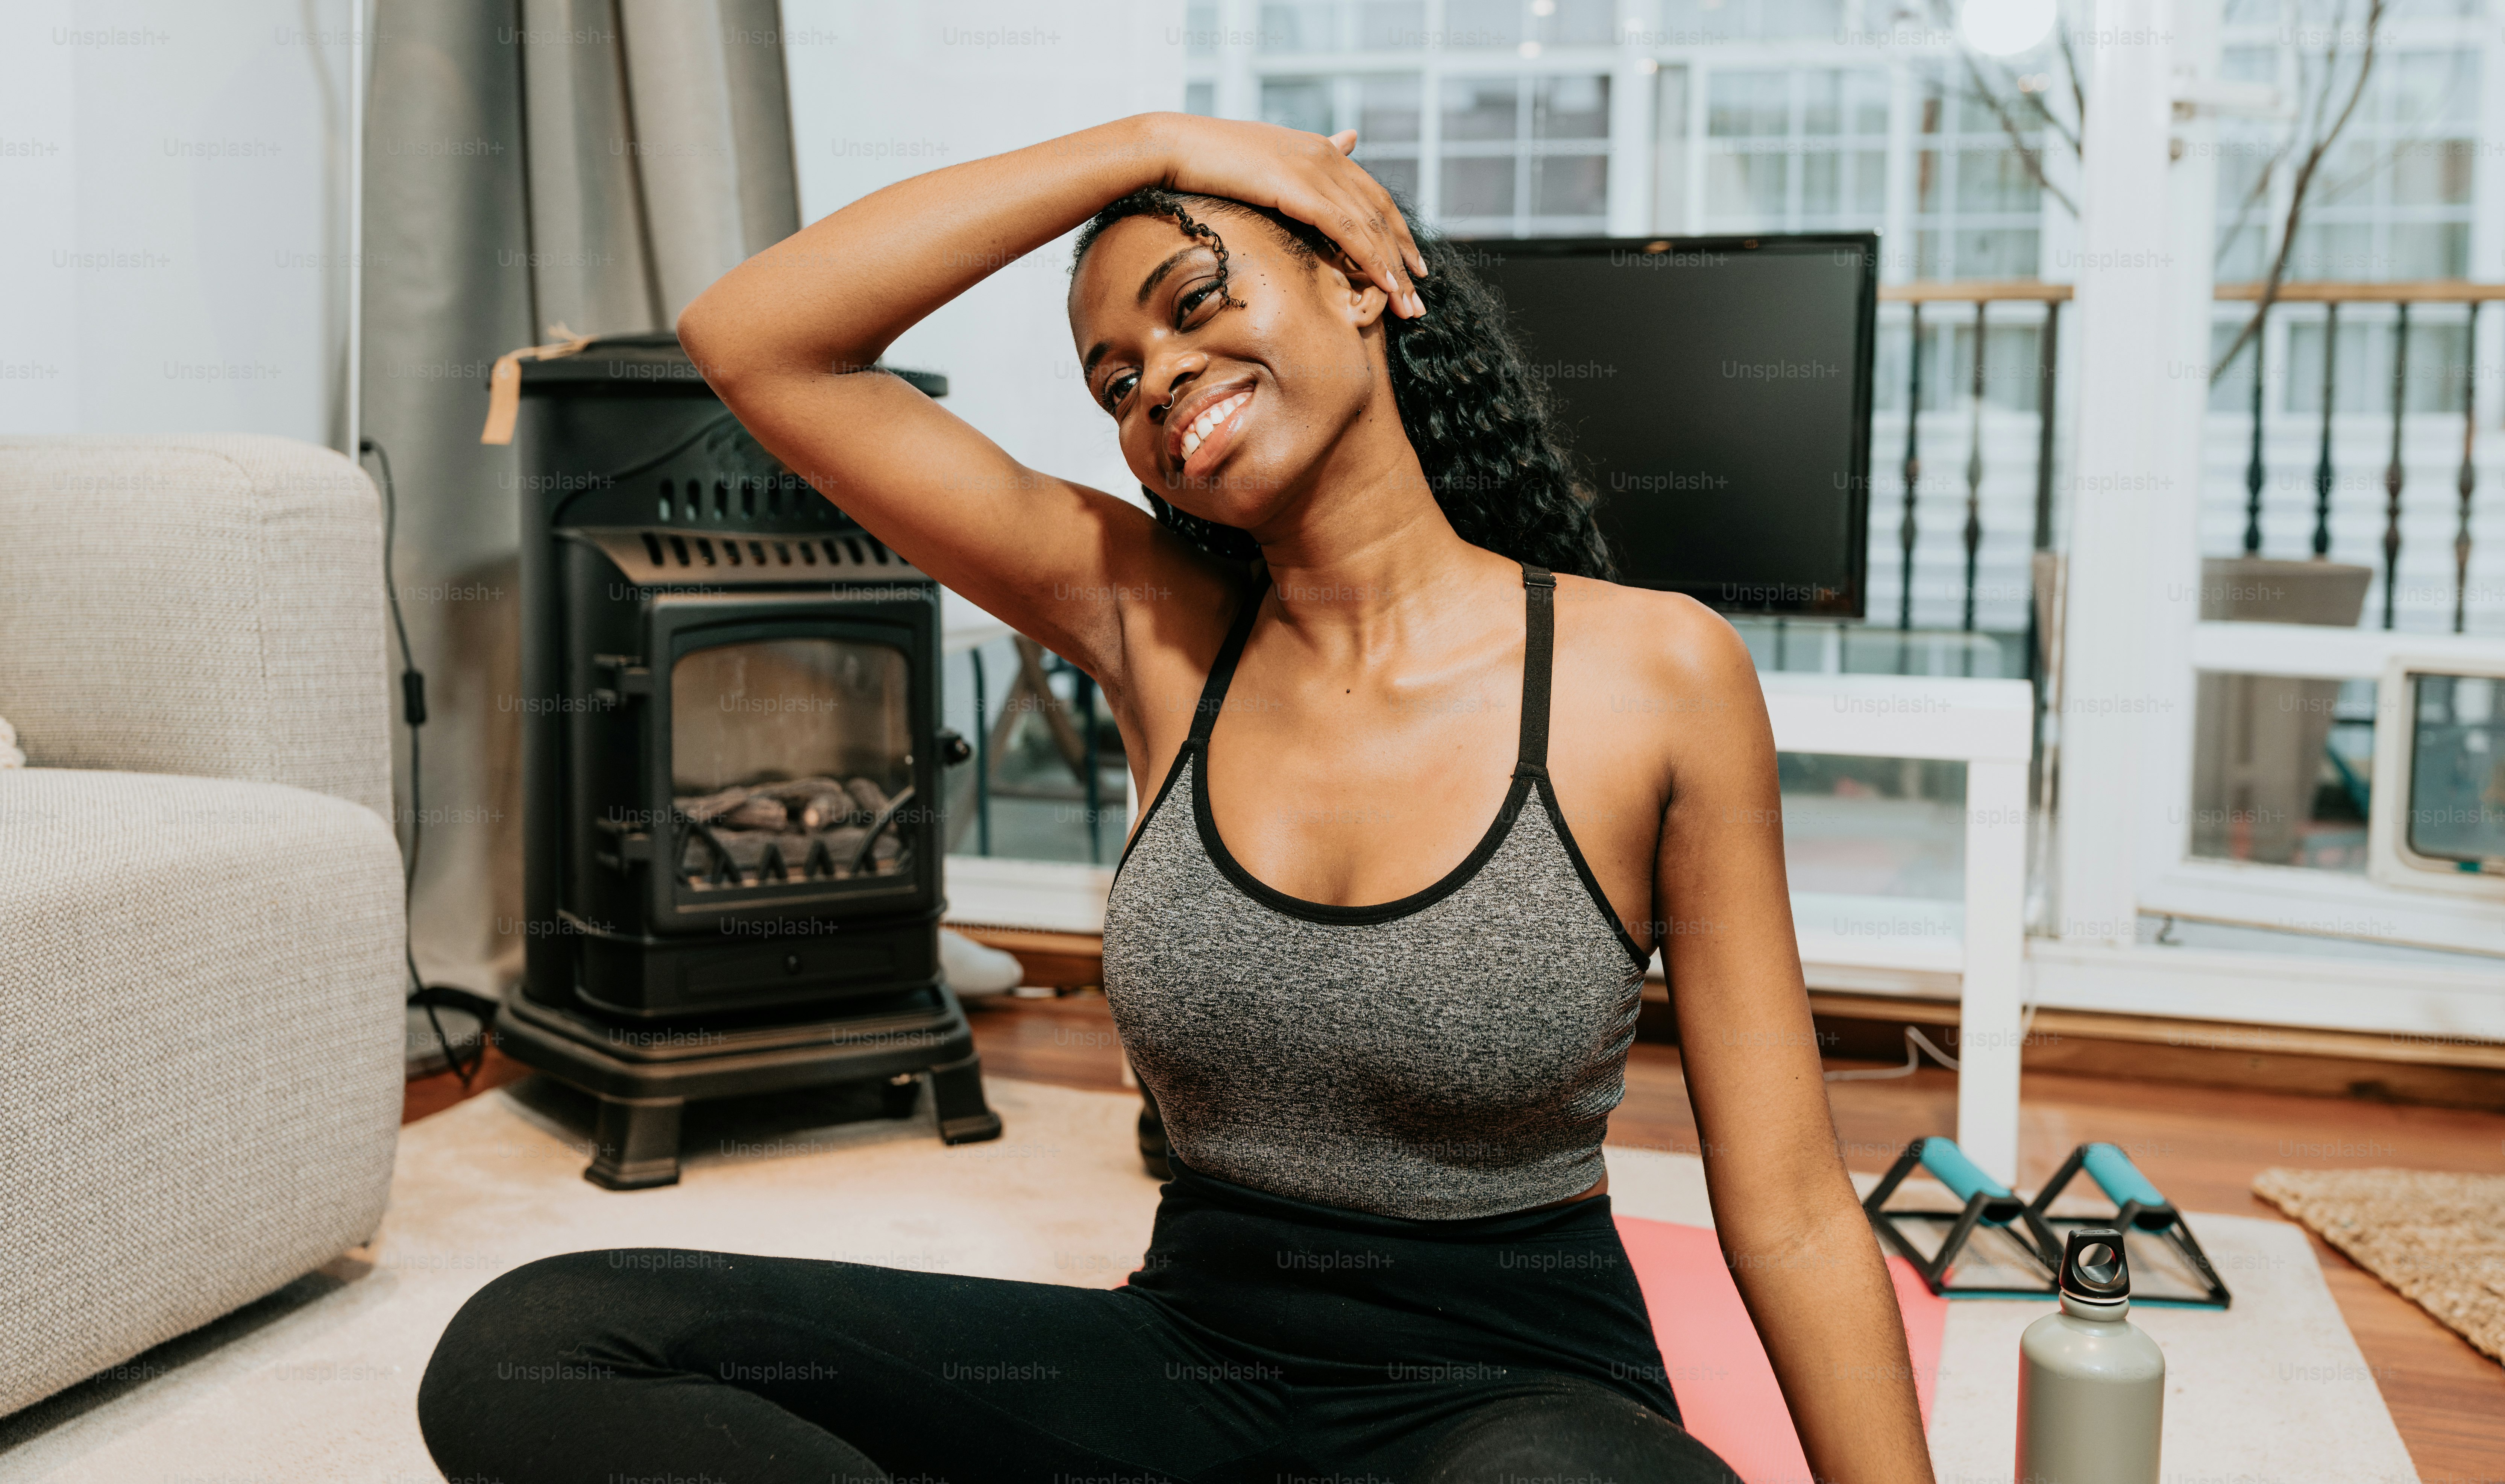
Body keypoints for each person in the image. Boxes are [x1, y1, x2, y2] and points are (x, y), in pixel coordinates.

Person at [417, 111, 1935, 1484]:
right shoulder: (1150, 625)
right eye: (1118, 380)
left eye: (1196, 301)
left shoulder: (1653, 672)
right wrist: (1148, 144)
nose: (1159, 384)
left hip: (1515, 1404)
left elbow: (1795, 1207)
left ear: (1359, 277)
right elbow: (758, 343)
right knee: (544, 1342)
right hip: (1190, 1369)